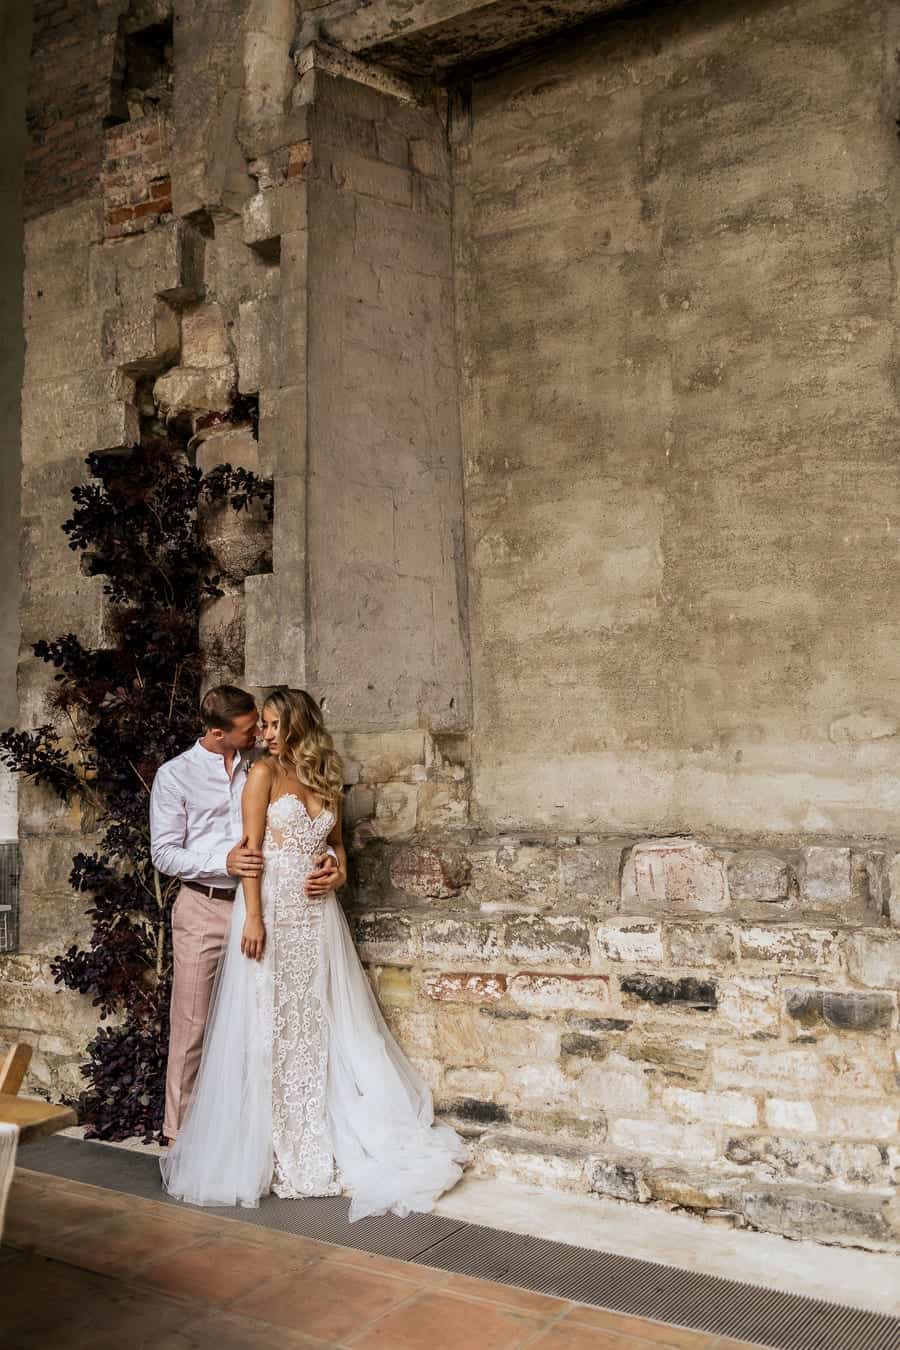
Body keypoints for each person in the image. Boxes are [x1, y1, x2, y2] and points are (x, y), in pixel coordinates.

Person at [160, 686, 468, 1218]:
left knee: (315, 1022)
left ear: (299, 726)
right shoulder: (260, 774)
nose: (265, 734)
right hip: (272, 912)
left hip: (317, 917)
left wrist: (338, 871)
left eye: (275, 725)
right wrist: (253, 917)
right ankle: (266, 1143)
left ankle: (319, 1128)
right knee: (267, 1023)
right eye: (262, 726)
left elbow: (339, 850)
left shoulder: (326, 775)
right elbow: (251, 853)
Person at [150, 685, 340, 1145]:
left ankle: (246, 1132)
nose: (259, 730)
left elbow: (308, 838)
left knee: (258, 1022)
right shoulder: (176, 776)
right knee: (193, 1025)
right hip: (208, 905)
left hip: (274, 907)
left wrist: (331, 864)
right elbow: (163, 853)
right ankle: (180, 1138)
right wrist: (224, 862)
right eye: (250, 726)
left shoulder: (263, 766)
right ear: (219, 732)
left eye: (263, 722)